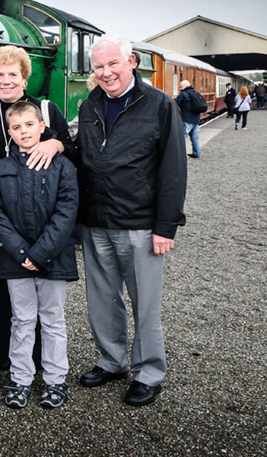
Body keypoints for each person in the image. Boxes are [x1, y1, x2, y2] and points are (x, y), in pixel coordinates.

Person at [76, 35, 186, 407]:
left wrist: (165, 226)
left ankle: (149, 372)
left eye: (112, 64)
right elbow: (83, 158)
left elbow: (173, 169)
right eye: (98, 67)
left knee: (145, 304)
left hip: (140, 225)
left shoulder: (158, 105)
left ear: (131, 62)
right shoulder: (90, 105)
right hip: (96, 222)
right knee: (102, 300)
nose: (105, 73)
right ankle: (112, 361)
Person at [0, 46, 77, 372]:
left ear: (24, 77)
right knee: (3, 292)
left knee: (43, 296)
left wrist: (56, 142)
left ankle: (43, 358)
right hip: (0, 221)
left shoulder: (46, 110)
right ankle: (7, 353)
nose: (5, 80)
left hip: (42, 218)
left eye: (12, 74)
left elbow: (72, 152)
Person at [0, 102, 78, 409]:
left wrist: (39, 253)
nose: (23, 131)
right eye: (16, 127)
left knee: (53, 319)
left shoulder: (63, 166)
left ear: (42, 127)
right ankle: (21, 377)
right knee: (22, 320)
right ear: (10, 132)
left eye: (29, 125)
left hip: (53, 258)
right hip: (16, 261)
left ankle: (56, 379)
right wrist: (20, 252)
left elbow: (66, 212)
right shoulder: (2, 169)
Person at [176, 80, 202, 159]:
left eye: (181, 87)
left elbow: (176, 105)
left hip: (186, 119)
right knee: (195, 138)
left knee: (183, 137)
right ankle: (197, 153)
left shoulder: (183, 94)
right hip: (196, 119)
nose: (180, 88)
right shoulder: (196, 93)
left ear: (185, 86)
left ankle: (181, 155)